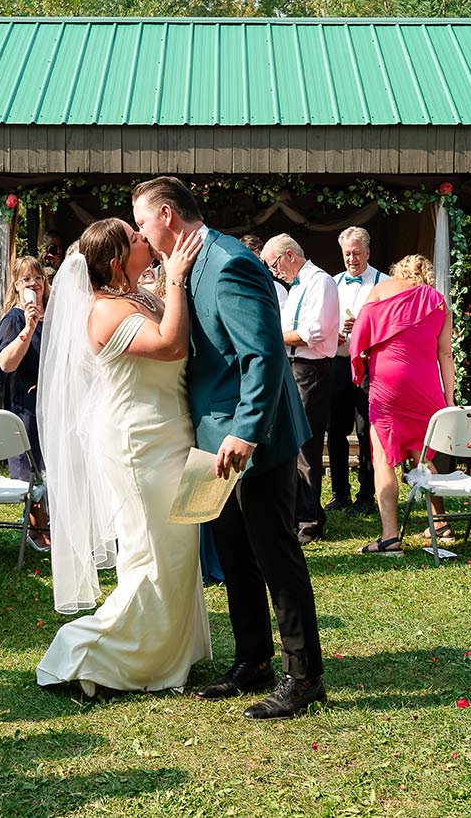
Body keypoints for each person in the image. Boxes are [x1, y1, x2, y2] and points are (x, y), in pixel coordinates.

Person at [133, 177, 323, 720]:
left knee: (274, 553)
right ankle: (253, 660)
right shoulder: (188, 265)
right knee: (235, 554)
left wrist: (245, 431)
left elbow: (262, 355)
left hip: (251, 437)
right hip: (210, 438)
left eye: (143, 222)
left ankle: (304, 675)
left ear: (167, 215)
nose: (142, 235)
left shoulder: (229, 262)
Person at [35, 218, 211, 695]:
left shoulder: (140, 297)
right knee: (153, 552)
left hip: (171, 434)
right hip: (138, 443)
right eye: (136, 239)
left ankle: (168, 651)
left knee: (177, 552)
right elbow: (170, 343)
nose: (145, 238)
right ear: (115, 261)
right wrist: (174, 277)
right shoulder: (105, 311)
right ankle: (86, 653)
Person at [348, 255, 455, 554]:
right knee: (421, 454)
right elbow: (445, 354)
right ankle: (441, 521)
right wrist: (449, 399)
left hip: (389, 383)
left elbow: (359, 335)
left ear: (399, 271)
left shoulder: (382, 290)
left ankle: (390, 536)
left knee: (383, 457)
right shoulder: (438, 301)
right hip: (426, 385)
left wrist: (362, 360)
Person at [260, 233, 339, 544]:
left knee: (305, 445)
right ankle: (297, 510)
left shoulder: (320, 282)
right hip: (291, 367)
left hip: (310, 369)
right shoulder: (296, 287)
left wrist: (273, 339)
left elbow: (313, 332)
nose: (274, 271)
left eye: (274, 264)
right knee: (290, 443)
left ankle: (310, 520)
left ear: (289, 255)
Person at [0, 255, 48, 547]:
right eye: (26, 279)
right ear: (16, 285)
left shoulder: (56, 313)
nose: (33, 283)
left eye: (38, 277)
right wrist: (29, 328)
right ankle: (37, 529)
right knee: (31, 465)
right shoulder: (15, 318)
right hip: (27, 401)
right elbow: (6, 364)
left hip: (53, 401)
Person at [326, 226, 383, 515]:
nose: (352, 259)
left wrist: (363, 326)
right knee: (336, 429)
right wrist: (335, 331)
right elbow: (324, 320)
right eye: (347, 254)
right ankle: (339, 493)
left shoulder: (382, 283)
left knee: (366, 431)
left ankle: (367, 495)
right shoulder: (333, 283)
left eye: (357, 254)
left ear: (368, 253)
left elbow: (389, 325)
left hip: (370, 366)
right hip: (339, 362)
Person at [241, 234, 287, 307]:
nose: (254, 264)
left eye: (258, 259)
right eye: (249, 260)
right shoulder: (233, 288)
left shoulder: (277, 289)